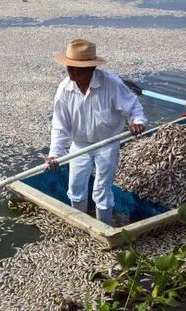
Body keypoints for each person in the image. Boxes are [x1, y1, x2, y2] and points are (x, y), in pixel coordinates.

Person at [46, 39, 147, 225]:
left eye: (74, 68)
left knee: (102, 189)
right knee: (75, 187)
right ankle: (80, 225)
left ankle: (104, 226)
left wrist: (137, 122)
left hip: (107, 143)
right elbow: (60, 126)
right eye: (68, 67)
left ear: (89, 69)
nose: (69, 72)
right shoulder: (64, 89)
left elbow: (134, 107)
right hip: (80, 144)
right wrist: (55, 154)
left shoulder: (111, 83)